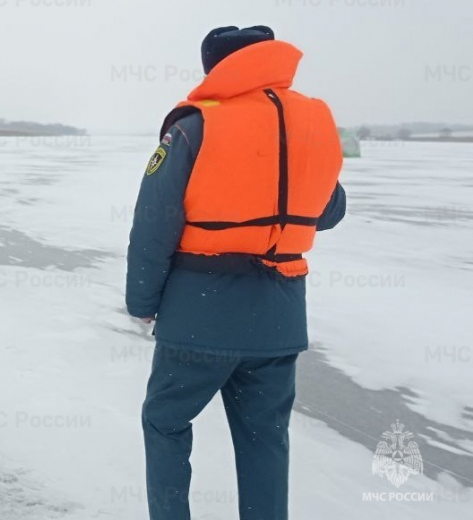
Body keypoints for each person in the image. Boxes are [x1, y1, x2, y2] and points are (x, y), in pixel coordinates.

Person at [126, 26, 347, 520]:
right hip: (279, 320)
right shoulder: (314, 120)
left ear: (217, 67)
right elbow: (329, 210)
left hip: (198, 320)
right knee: (264, 439)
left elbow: (154, 225)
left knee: (165, 424)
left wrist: (142, 302)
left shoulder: (194, 126)